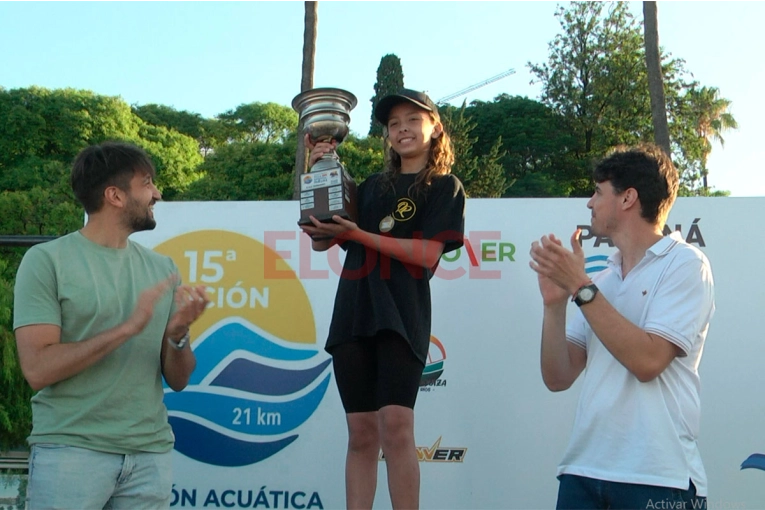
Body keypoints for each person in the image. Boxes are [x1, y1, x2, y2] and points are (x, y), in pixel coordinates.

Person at [14, 141, 210, 510]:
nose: (157, 194)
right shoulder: (45, 261)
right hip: (70, 452)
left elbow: (180, 380)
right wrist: (127, 328)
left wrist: (178, 336)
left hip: (150, 456)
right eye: (147, 183)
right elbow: (38, 369)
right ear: (115, 196)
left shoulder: (163, 269)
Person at [300, 88, 465, 509]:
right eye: (394, 123)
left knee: (396, 428)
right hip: (354, 313)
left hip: (402, 315)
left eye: (413, 119)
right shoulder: (370, 186)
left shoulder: (446, 187)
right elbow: (323, 240)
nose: (403, 129)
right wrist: (317, 166)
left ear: (435, 128)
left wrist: (357, 235)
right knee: (360, 434)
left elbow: (427, 254)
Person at [529, 144, 714, 510]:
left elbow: (647, 361)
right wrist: (554, 306)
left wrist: (580, 288)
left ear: (628, 198)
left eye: (598, 192)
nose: (589, 203)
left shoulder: (686, 263)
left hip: (659, 476)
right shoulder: (602, 279)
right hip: (582, 472)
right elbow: (558, 377)